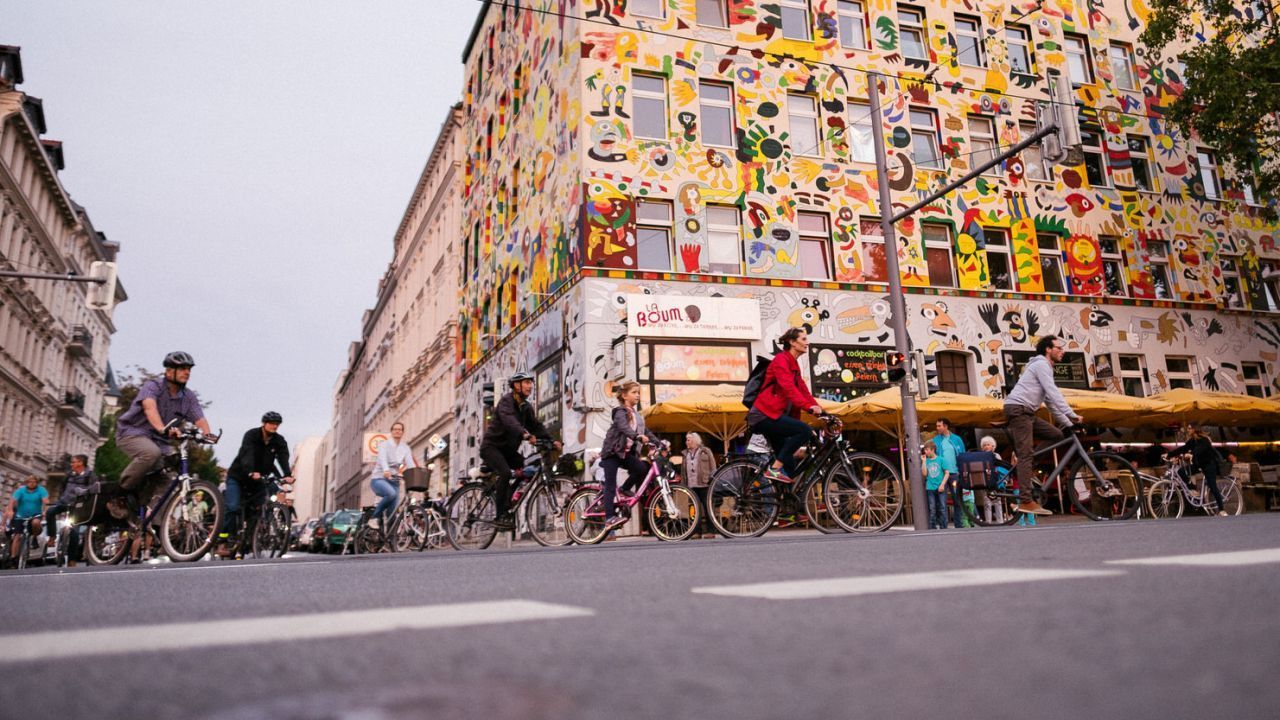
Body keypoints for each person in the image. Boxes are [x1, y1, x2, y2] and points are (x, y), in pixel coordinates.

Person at [115, 351, 214, 506]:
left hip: (160, 442)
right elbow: (149, 408)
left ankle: (155, 524)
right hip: (132, 433)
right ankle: (119, 494)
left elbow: (199, 419)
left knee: (170, 476)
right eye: (182, 369)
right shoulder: (153, 386)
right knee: (151, 453)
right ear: (168, 372)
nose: (187, 372)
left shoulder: (188, 397)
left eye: (189, 369)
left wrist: (207, 435)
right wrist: (162, 428)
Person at [1002, 336, 1085, 516]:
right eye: (1059, 348)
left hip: (1028, 412)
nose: (1062, 351)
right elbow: (1054, 393)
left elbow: (1051, 403)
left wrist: (1068, 424)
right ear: (1048, 349)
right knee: (1025, 454)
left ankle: (1027, 466)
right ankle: (1026, 500)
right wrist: (1072, 414)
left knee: (1056, 435)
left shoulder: (1044, 368)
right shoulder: (1041, 365)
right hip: (1018, 410)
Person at [479, 371, 559, 530]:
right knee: (505, 473)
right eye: (527, 383)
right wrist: (524, 434)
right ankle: (500, 514)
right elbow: (509, 421)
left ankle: (508, 496)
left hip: (508, 452)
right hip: (492, 447)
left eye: (531, 383)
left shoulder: (525, 407)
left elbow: (536, 426)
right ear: (517, 385)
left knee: (530, 467)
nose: (530, 386)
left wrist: (552, 441)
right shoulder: (506, 402)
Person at [747, 327, 824, 484]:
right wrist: (809, 408)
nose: (807, 343)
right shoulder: (781, 360)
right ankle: (774, 470)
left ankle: (784, 503)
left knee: (789, 466)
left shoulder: (794, 365)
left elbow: (803, 391)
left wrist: (820, 409)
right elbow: (789, 389)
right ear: (792, 342)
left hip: (774, 415)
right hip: (763, 415)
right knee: (805, 430)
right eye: (803, 339)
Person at [218, 412, 294, 555]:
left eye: (277, 423)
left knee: (258, 510)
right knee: (233, 507)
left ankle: (249, 540)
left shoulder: (279, 441)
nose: (274, 426)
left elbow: (283, 457)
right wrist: (251, 471)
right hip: (239, 477)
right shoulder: (251, 435)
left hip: (258, 480)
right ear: (264, 423)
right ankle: (224, 539)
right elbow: (247, 454)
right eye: (271, 423)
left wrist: (287, 475)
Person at [599, 380, 660, 532]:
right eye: (634, 392)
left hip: (624, 454)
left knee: (642, 468)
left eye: (638, 392)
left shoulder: (637, 416)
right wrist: (636, 437)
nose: (637, 395)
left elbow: (646, 431)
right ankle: (609, 518)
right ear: (625, 396)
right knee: (610, 485)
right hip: (612, 452)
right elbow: (623, 426)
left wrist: (658, 442)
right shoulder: (620, 412)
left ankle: (625, 488)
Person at [1167, 423, 1228, 517]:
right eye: (1188, 428)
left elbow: (1200, 450)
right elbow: (1183, 448)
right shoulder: (1192, 440)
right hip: (1199, 465)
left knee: (1212, 486)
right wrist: (1169, 454)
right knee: (1181, 471)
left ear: (1196, 429)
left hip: (1209, 465)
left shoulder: (1204, 440)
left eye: (1190, 428)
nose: (1188, 430)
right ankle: (1193, 488)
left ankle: (1221, 510)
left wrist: (1191, 454)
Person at [44, 454, 95, 566]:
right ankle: (52, 536)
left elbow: (93, 491)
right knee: (50, 512)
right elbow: (62, 487)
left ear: (81, 463)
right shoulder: (69, 474)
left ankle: (72, 560)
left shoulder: (89, 476)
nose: (71, 464)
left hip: (77, 506)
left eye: (73, 462)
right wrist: (61, 499)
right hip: (64, 502)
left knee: (75, 532)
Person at [371, 421, 417, 528]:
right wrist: (386, 470)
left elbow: (410, 464)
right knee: (391, 494)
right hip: (379, 479)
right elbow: (382, 459)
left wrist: (416, 473)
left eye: (399, 429)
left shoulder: (405, 448)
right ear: (391, 432)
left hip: (394, 481)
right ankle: (374, 518)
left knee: (392, 513)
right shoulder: (384, 445)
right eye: (395, 429)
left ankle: (391, 541)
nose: (397, 431)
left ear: (402, 432)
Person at [4, 475, 48, 564]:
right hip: (21, 515)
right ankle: (13, 557)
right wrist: (11, 511)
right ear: (26, 482)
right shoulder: (21, 490)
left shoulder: (41, 490)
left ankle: (34, 537)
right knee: (17, 536)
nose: (31, 483)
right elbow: (12, 501)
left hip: (35, 514)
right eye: (29, 481)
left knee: (35, 523)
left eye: (34, 482)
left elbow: (45, 502)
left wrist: (45, 511)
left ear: (36, 483)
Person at [933, 418, 968, 528]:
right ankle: (943, 526)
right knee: (941, 503)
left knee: (957, 500)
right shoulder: (936, 440)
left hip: (955, 473)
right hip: (942, 475)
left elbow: (963, 455)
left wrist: (963, 471)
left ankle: (959, 524)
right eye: (937, 426)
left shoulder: (957, 439)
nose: (937, 428)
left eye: (939, 426)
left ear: (946, 426)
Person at [682, 432, 717, 537]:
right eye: (686, 439)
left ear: (695, 440)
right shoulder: (685, 454)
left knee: (707, 508)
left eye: (688, 439)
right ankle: (696, 531)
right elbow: (683, 471)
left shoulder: (706, 451)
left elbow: (713, 467)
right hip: (691, 486)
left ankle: (711, 531)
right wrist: (683, 485)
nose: (686, 442)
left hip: (704, 484)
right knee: (693, 510)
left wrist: (712, 480)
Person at [922, 442, 948, 530]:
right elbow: (925, 474)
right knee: (932, 508)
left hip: (940, 487)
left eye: (927, 450)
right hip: (930, 487)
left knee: (942, 507)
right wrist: (924, 462)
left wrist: (942, 484)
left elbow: (947, 473)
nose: (925, 452)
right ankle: (932, 527)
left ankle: (943, 526)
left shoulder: (941, 459)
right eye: (925, 450)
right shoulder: (926, 461)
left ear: (933, 450)